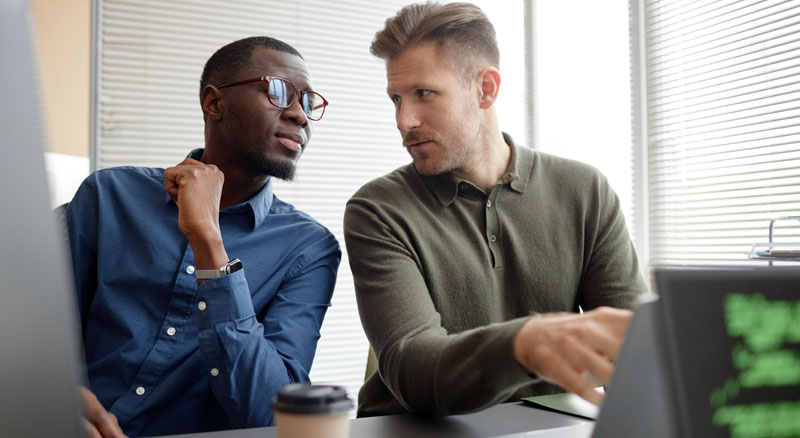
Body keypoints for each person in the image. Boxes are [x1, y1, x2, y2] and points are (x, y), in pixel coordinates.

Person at [343, 2, 647, 418]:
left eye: (423, 94)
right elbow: (413, 369)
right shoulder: (378, 209)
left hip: (544, 426)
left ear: (485, 89)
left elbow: (632, 347)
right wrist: (525, 342)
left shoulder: (585, 191)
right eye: (396, 98)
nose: (404, 119)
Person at [66, 36, 341, 437]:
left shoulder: (309, 248)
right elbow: (36, 335)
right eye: (280, 93)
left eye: (309, 102)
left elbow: (273, 416)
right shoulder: (109, 196)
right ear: (214, 103)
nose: (300, 115)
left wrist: (208, 238)